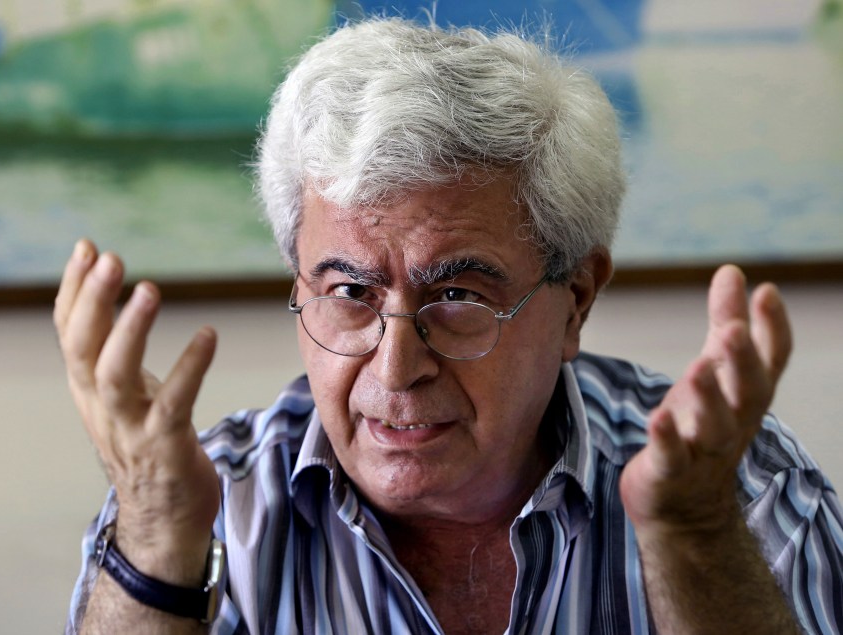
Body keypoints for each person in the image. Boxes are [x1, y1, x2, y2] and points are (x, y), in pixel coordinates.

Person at [59, 17, 843, 635]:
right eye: (349, 290)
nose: (395, 367)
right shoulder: (199, 501)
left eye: (459, 295)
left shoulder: (731, 484)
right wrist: (159, 539)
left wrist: (693, 537)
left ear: (575, 299)